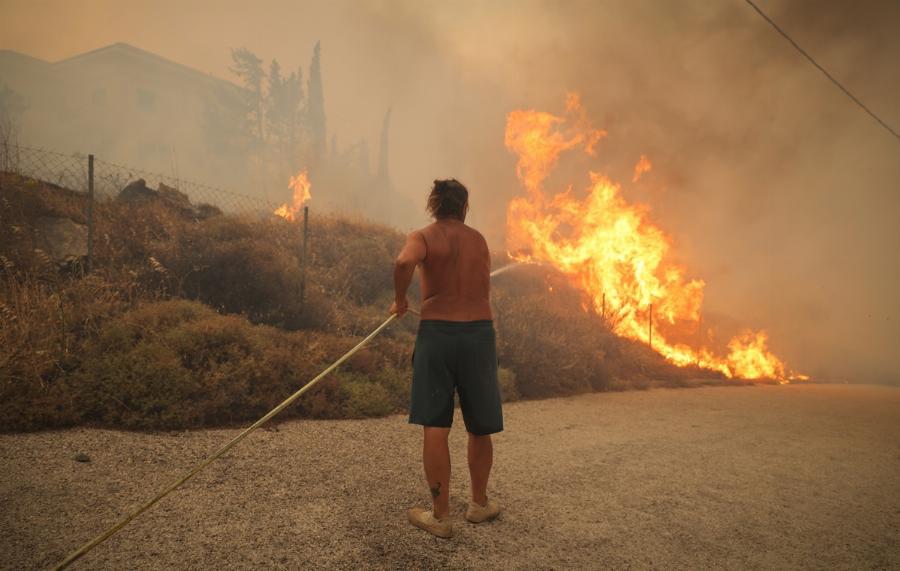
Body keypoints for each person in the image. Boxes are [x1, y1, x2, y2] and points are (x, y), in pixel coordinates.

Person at [391, 178, 503, 539]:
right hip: (478, 336)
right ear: (464, 206)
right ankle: (479, 504)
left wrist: (400, 300)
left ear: (433, 204)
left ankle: (440, 517)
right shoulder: (479, 241)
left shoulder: (423, 237)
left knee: (436, 427)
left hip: (438, 334)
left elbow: (403, 261)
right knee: (480, 425)